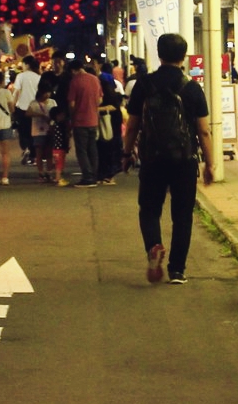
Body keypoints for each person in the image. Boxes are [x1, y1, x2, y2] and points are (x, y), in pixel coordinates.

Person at [125, 32, 213, 284]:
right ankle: (177, 270)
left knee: (150, 209)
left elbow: (132, 125)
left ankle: (154, 246)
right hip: (184, 160)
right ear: (184, 56)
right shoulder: (192, 87)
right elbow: (203, 130)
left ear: (159, 54)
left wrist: (126, 153)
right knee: (183, 215)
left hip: (152, 158)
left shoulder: (144, 84)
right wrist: (210, 162)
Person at [67, 56, 104, 187]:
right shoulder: (95, 79)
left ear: (73, 70)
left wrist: (72, 115)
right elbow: (100, 100)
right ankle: (94, 175)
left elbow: (72, 104)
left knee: (81, 150)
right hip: (93, 119)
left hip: (80, 120)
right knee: (92, 148)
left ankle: (87, 177)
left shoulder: (75, 81)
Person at [10, 61, 42, 168]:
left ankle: (26, 148)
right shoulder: (38, 77)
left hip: (22, 109)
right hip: (34, 108)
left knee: (23, 132)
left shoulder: (20, 76)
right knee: (34, 132)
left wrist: (13, 106)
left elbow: (16, 92)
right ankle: (33, 155)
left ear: (27, 65)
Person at [96, 63, 123, 183]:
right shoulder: (111, 90)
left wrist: (96, 109)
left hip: (109, 123)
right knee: (106, 148)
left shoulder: (107, 92)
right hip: (110, 123)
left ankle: (107, 174)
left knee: (106, 148)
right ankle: (106, 174)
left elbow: (113, 107)